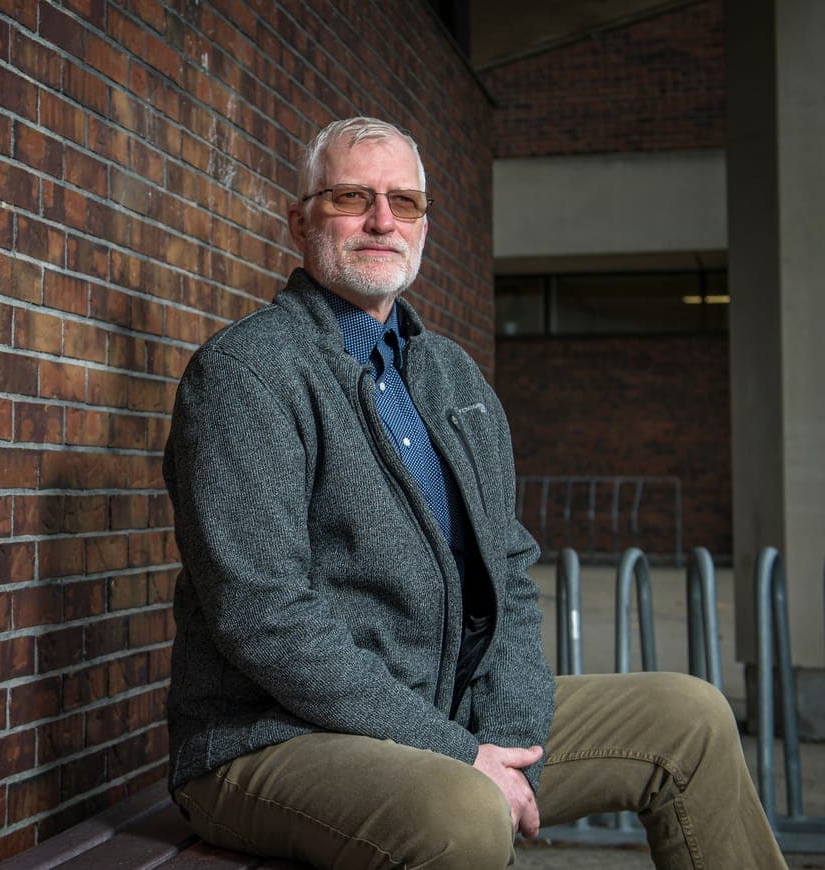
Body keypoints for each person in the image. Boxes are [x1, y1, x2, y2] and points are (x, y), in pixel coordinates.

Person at [161, 116, 785, 869]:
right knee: (460, 810)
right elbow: (265, 616)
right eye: (352, 196)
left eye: (406, 202)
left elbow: (512, 577)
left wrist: (508, 738)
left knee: (689, 719)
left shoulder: (453, 378)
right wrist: (458, 754)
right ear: (299, 221)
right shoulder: (247, 375)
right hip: (271, 739)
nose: (383, 220)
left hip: (446, 713)